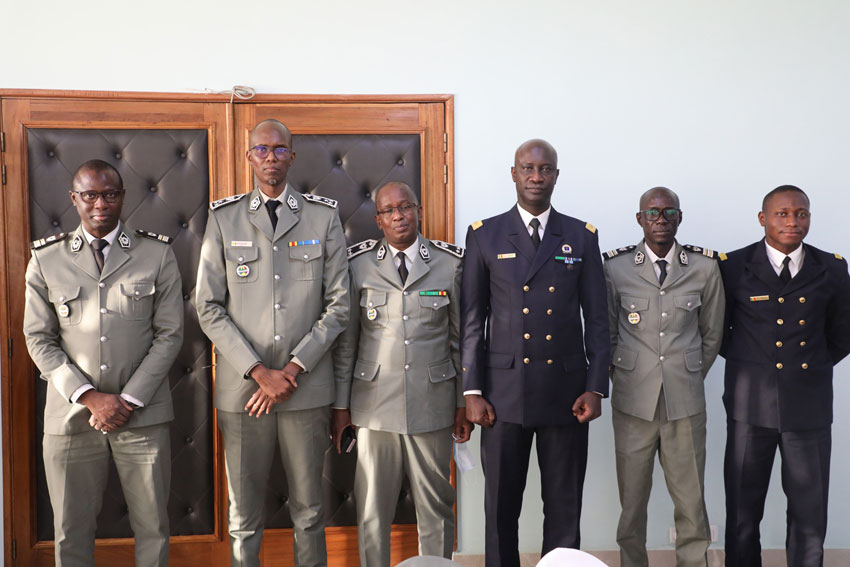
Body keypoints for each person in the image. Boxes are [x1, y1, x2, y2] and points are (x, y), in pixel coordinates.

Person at [195, 119, 349, 567]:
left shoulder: (323, 217)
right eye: (261, 150)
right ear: (249, 157)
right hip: (245, 394)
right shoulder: (224, 218)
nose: (270, 158)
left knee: (309, 511)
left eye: (279, 150)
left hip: (307, 390)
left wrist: (294, 368)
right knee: (243, 514)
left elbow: (340, 304)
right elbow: (208, 306)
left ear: (292, 157)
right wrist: (260, 372)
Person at [24, 159, 183, 567]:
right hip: (71, 417)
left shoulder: (156, 254)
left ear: (123, 197)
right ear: (74, 199)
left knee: (153, 529)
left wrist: (127, 400)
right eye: (90, 195)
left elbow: (170, 335)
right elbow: (38, 338)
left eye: (110, 194)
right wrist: (91, 397)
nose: (101, 204)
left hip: (142, 416)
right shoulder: (46, 260)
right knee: (70, 532)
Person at [460, 139, 609, 567]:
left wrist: (596, 387)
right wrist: (471, 390)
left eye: (545, 169)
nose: (536, 177)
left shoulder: (580, 236)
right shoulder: (485, 235)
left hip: (566, 395)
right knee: (501, 509)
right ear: (513, 173)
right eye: (528, 168)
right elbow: (472, 320)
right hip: (502, 395)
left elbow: (597, 321)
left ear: (556, 176)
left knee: (564, 508)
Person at [332, 181, 473, 566]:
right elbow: (348, 344)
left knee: (436, 508)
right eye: (389, 210)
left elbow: (461, 341)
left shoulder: (451, 264)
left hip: (433, 404)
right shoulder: (358, 265)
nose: (399, 216)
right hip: (374, 406)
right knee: (373, 510)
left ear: (419, 211)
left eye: (405, 207)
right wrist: (341, 408)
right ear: (378, 219)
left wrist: (462, 402)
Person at [720, 185, 850, 567]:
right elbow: (720, 333)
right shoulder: (733, 266)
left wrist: (805, 367)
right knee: (743, 516)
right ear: (763, 218)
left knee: (809, 517)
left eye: (801, 213)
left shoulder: (832, 267)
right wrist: (754, 365)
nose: (792, 221)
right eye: (782, 213)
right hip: (749, 408)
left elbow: (842, 334)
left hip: (807, 408)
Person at [603, 187, 725, 567]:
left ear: (680, 217)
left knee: (691, 502)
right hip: (633, 404)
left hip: (684, 404)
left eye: (668, 212)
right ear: (639, 219)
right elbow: (606, 333)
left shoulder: (704, 267)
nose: (660, 219)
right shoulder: (616, 267)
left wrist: (685, 375)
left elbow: (712, 334)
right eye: (652, 212)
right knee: (632, 505)